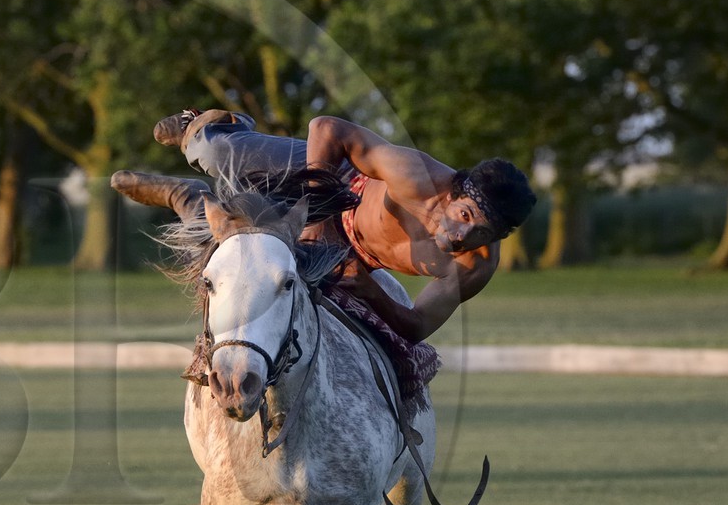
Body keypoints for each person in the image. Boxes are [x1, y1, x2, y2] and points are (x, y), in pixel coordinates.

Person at [118, 108, 536, 344]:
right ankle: (214, 122)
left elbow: (419, 326)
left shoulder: (475, 266)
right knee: (212, 151)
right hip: (333, 184)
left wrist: (373, 291)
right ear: (452, 194)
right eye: (464, 217)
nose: (462, 236)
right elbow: (326, 128)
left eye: (481, 233)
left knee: (236, 257)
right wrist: (314, 210)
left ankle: (186, 198)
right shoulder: (415, 175)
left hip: (349, 259)